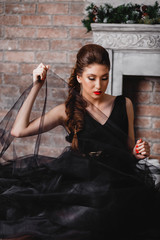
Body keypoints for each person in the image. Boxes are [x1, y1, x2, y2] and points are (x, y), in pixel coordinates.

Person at [0, 44, 159, 240]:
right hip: (83, 180)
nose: (98, 86)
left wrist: (140, 151)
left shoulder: (124, 104)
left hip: (118, 180)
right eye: (92, 79)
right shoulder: (66, 110)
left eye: (104, 78)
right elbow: (18, 130)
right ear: (79, 77)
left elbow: (130, 151)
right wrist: (36, 86)